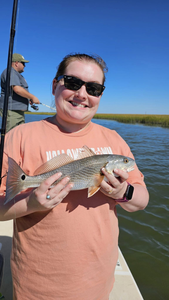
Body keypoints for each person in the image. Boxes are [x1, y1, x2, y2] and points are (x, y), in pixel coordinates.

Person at [0, 53, 149, 300]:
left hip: (98, 280)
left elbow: (141, 200)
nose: (82, 94)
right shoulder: (19, 136)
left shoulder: (113, 139)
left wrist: (123, 193)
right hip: (35, 283)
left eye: (93, 88)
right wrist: (31, 203)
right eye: (71, 82)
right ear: (54, 85)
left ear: (100, 95)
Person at [0, 53, 40, 132]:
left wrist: (28, 99)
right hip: (12, 111)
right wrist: (32, 97)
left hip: (17, 111)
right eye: (23, 63)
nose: (25, 65)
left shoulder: (16, 74)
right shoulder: (10, 72)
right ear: (16, 63)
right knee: (11, 136)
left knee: (19, 135)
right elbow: (17, 89)